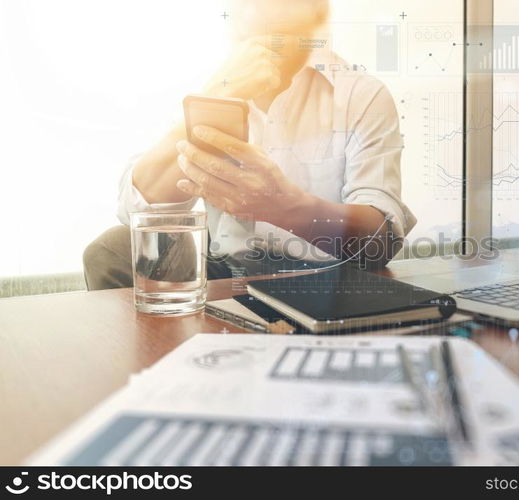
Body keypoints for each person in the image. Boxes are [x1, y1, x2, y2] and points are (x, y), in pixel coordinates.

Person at [83, 0, 415, 290]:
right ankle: (166, 358)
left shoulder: (361, 94)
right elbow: (135, 212)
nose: (256, 12)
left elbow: (381, 240)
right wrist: (216, 95)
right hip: (226, 268)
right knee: (111, 251)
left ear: (316, 8)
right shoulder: (211, 87)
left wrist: (283, 206)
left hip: (326, 273)